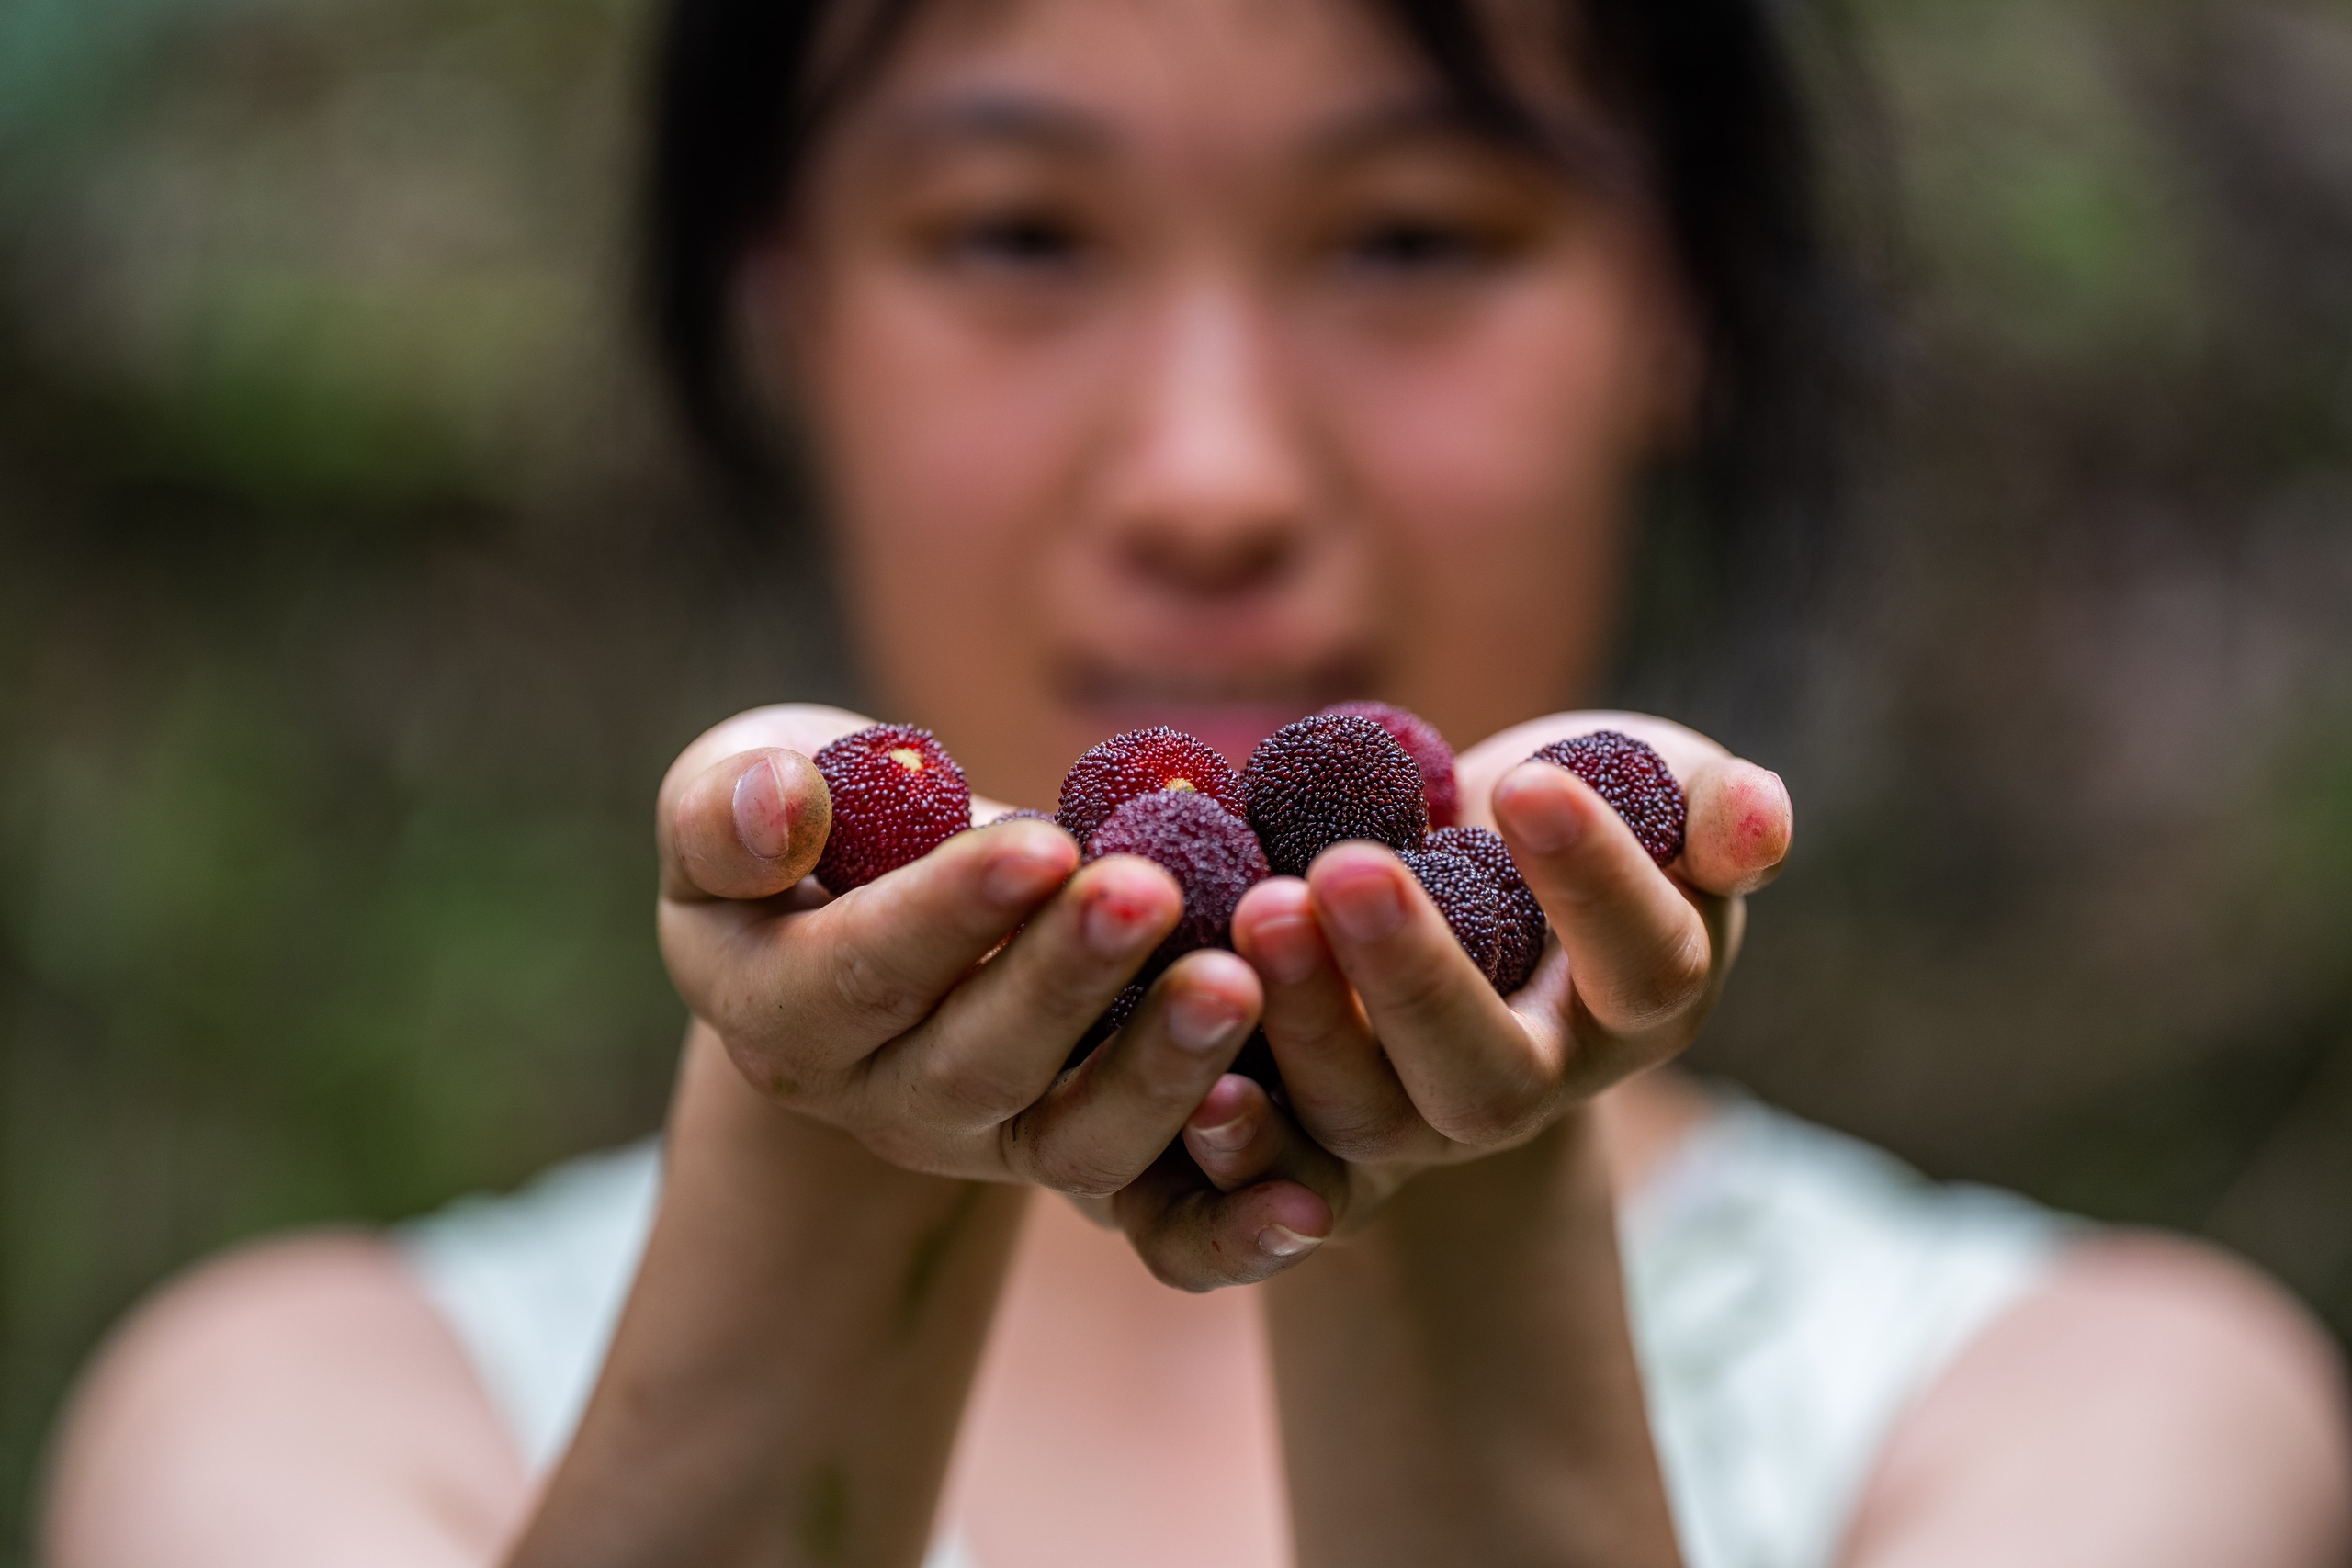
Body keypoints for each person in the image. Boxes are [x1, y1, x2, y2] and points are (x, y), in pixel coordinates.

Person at [39, 0, 2352, 1564]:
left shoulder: (2098, 1425)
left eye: (1414, 238)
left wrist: (1449, 1172)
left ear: (1678, 308)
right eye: (1017, 236)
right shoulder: (300, 1426)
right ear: (781, 305)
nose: (1211, 477)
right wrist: (827, 1135)